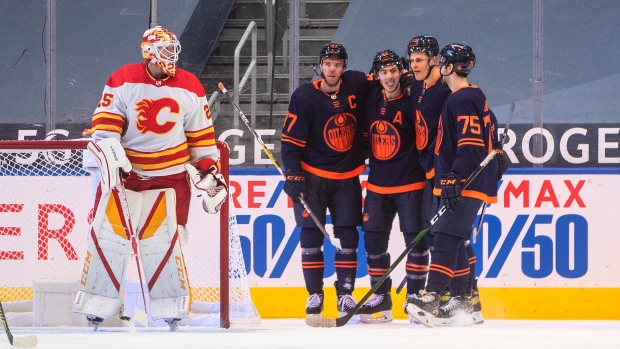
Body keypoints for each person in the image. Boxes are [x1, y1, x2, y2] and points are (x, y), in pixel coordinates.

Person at [73, 26, 226, 331]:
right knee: (108, 239)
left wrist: (210, 172)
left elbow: (202, 139)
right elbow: (105, 127)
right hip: (126, 176)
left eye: (173, 50)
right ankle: (96, 306)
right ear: (149, 52)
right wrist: (112, 156)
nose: (172, 56)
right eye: (167, 50)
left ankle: (171, 307)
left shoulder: (191, 86)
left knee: (165, 243)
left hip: (170, 179)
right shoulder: (123, 79)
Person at [405, 43, 499, 327]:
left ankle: (433, 296)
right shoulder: (468, 97)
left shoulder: (461, 99)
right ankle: (463, 300)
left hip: (465, 181)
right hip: (467, 179)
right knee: (454, 239)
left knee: (446, 237)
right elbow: (487, 131)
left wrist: (453, 176)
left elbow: (469, 144)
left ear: (447, 66)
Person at [281, 43, 371, 319]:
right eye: (328, 63)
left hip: (347, 178)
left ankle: (345, 294)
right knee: (310, 235)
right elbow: (290, 142)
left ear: (344, 67)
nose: (332, 68)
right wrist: (294, 174)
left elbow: (384, 79)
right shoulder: (304, 97)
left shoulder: (357, 83)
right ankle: (314, 296)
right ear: (320, 66)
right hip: (313, 178)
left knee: (347, 236)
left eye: (337, 64)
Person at [356, 50, 427, 323]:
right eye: (383, 72)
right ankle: (381, 298)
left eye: (394, 71)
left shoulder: (413, 97)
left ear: (402, 71)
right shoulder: (371, 95)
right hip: (377, 185)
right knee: (373, 241)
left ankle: (415, 297)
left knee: (415, 243)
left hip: (411, 184)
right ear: (377, 75)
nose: (389, 77)